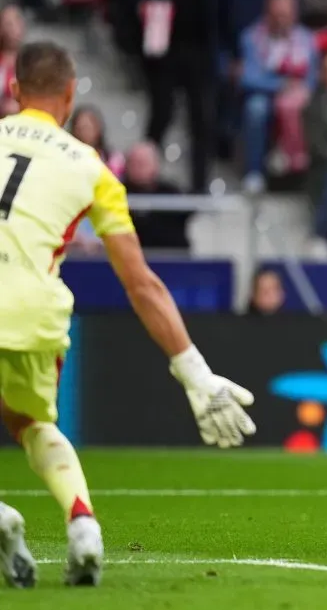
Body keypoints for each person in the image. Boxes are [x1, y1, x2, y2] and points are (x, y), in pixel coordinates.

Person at [0, 42, 257, 588]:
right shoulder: (90, 167)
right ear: (70, 96)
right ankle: (82, 522)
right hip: (37, 315)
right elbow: (141, 283)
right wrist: (194, 373)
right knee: (31, 424)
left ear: (14, 90)